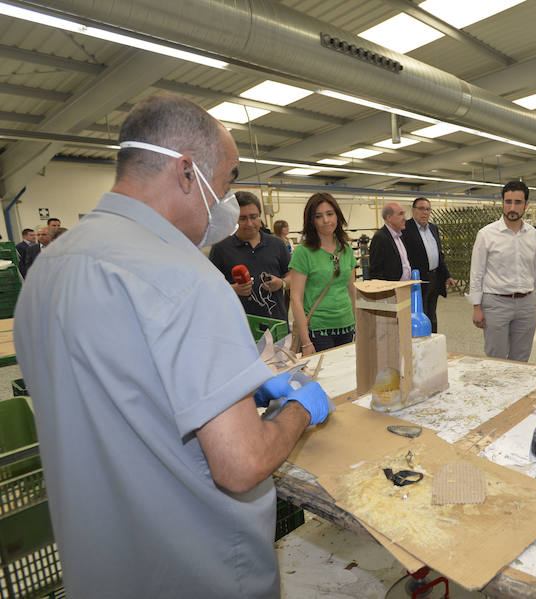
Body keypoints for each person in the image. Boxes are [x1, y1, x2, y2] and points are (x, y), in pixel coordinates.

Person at [13, 94, 329, 598]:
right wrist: (297, 409)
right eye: (225, 182)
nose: (227, 202)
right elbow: (241, 463)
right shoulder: (186, 278)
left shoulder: (50, 268)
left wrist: (233, 391)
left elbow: (126, 398)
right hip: (199, 572)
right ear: (187, 173)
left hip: (98, 569)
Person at [468, 180, 536, 362]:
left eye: (518, 202)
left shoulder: (532, 234)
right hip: (496, 303)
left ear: (526, 204)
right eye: (508, 202)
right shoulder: (486, 234)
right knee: (496, 358)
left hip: (527, 304)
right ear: (502, 203)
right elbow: (476, 273)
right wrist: (476, 307)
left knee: (521, 358)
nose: (512, 207)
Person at [288, 192, 357, 355]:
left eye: (330, 214)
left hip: (347, 326)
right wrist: (305, 342)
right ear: (312, 221)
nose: (326, 220)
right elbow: (295, 298)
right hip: (318, 331)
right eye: (319, 216)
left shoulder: (346, 250)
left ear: (337, 216)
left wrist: (359, 326)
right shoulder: (303, 253)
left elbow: (353, 292)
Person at [209, 191, 291, 322]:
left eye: (254, 217)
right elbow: (210, 287)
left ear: (260, 216)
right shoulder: (221, 248)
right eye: (242, 218)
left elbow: (293, 276)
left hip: (276, 324)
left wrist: (282, 283)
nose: (249, 223)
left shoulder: (277, 244)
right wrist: (233, 289)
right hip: (238, 325)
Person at [401, 197, 455, 332]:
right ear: (413, 211)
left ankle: (433, 339)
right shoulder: (405, 229)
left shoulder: (433, 228)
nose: (425, 212)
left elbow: (439, 255)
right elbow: (403, 257)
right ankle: (421, 342)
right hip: (417, 281)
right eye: (421, 209)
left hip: (435, 278)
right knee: (419, 314)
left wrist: (447, 275)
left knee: (432, 314)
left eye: (427, 209)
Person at [368, 202, 411, 281]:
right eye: (401, 214)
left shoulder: (400, 236)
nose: (405, 218)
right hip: (391, 290)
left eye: (404, 214)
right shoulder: (380, 237)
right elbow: (376, 272)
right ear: (389, 218)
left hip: (404, 287)